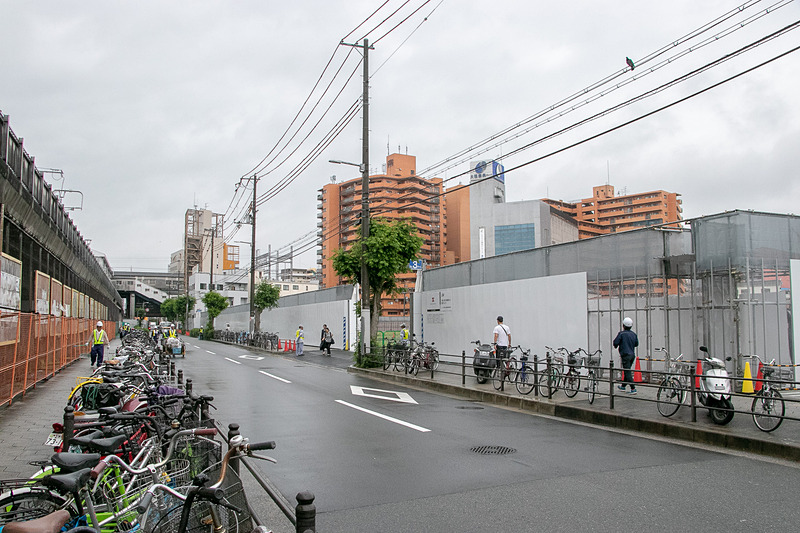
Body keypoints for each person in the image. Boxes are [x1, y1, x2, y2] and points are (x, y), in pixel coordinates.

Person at [613, 316, 639, 395]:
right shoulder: (634, 334)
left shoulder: (621, 334)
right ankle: (623, 386)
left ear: (623, 325)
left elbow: (615, 343)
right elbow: (636, 344)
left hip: (625, 355)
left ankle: (633, 388)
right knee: (627, 369)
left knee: (627, 371)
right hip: (632, 355)